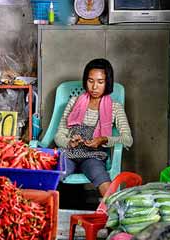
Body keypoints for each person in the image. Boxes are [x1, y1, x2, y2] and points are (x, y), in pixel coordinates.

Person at [54, 58, 133, 197]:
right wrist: (69, 142)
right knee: (53, 175)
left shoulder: (115, 107)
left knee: (102, 179)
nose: (94, 87)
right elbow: (59, 135)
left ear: (107, 82)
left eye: (100, 82)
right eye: (90, 81)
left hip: (93, 156)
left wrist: (103, 140)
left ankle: (114, 212)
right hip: (69, 153)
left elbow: (128, 140)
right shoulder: (74, 102)